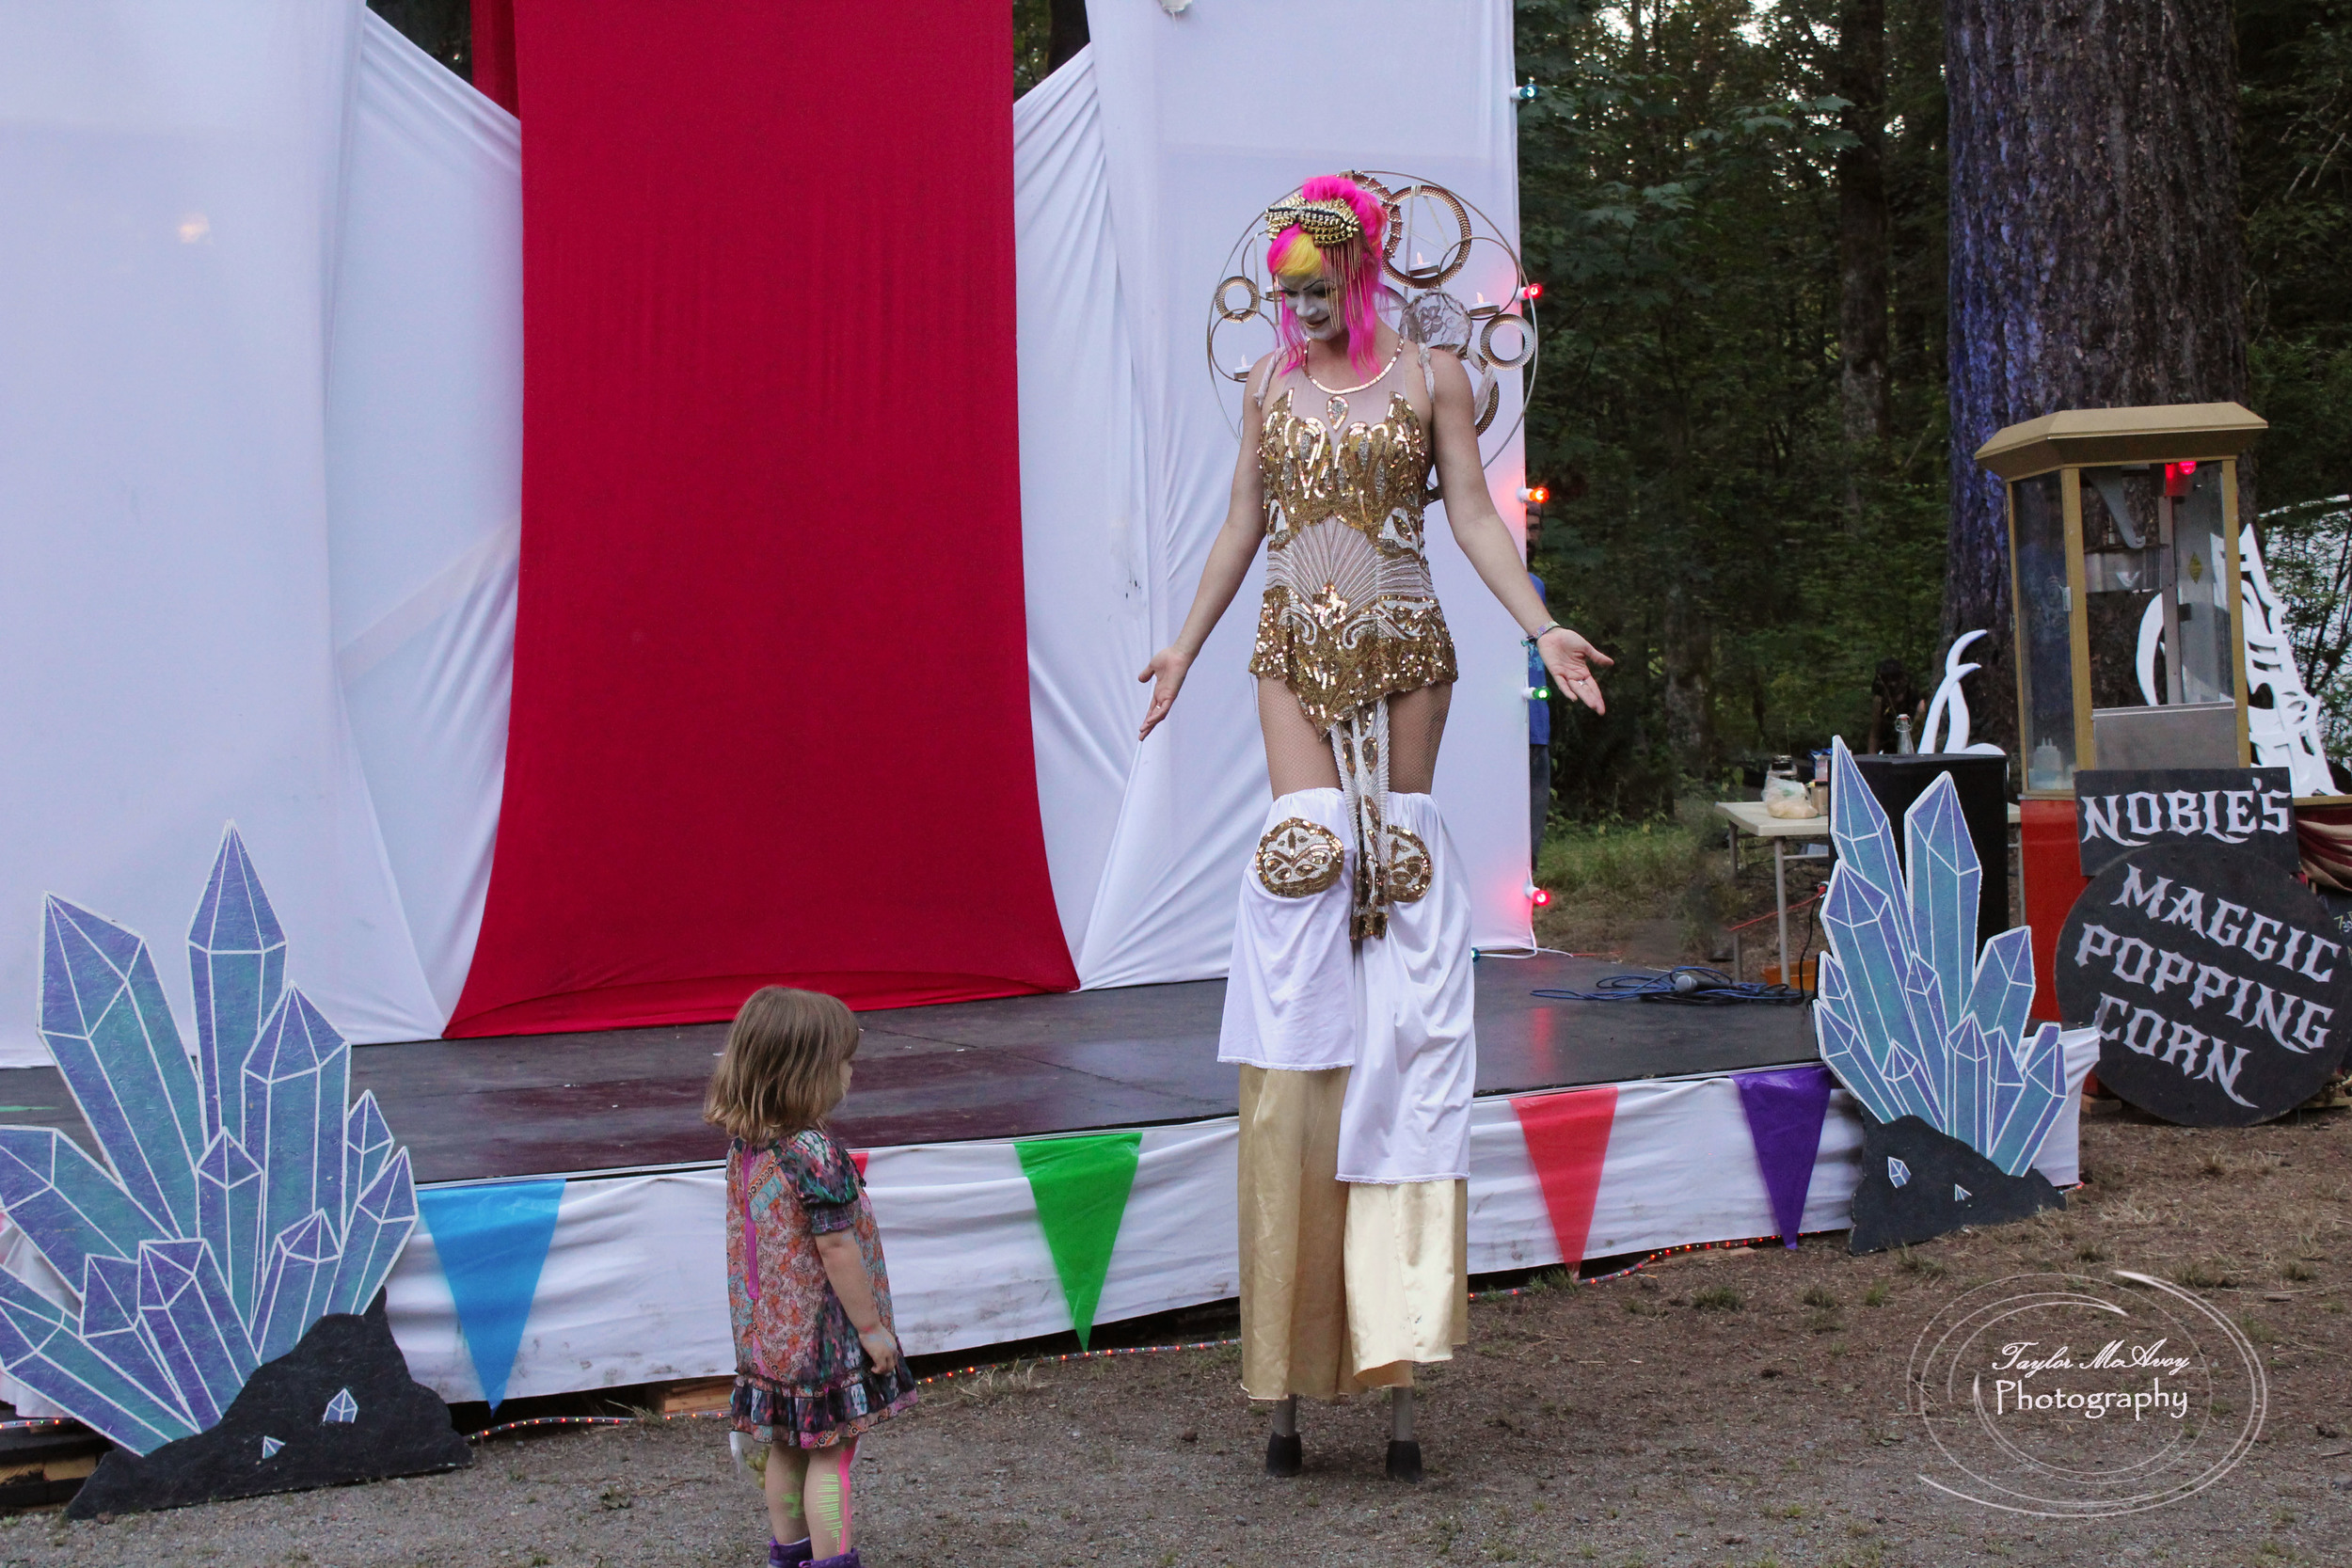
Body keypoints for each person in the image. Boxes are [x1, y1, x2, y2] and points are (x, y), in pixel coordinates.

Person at [1135, 175, 1610, 1481]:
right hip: (1295, 641)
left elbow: (1467, 515)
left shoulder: (1432, 377)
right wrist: (1180, 645)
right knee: (1306, 867)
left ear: (1359, 277)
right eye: (1281, 291)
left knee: (1393, 880)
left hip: (1406, 642)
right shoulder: (1265, 391)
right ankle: (1294, 1316)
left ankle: (1395, 1316)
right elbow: (1243, 521)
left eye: (1313, 289)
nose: (1295, 310)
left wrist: (1540, 623)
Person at [706, 986, 916, 1568]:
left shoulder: (749, 1144)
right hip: (823, 1339)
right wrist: (873, 1330)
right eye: (844, 1062)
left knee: (785, 1449)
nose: (851, 1074)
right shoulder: (813, 1151)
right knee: (832, 1455)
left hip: (769, 1339)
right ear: (809, 1072)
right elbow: (836, 1247)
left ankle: (789, 1555)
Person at [1867, 657, 1926, 754]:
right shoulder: (1880, 703)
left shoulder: (1918, 704)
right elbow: (1875, 735)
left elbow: (1917, 737)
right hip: (1889, 754)